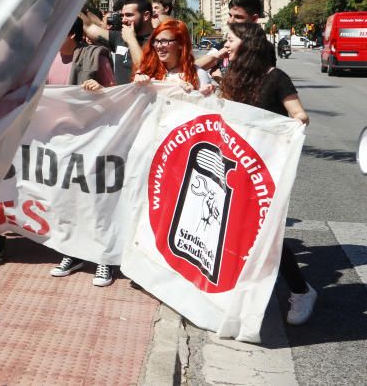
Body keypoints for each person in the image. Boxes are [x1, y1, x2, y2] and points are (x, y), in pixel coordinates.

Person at [219, 22, 316, 325]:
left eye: (230, 39)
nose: (226, 44)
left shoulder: (276, 78)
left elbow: (299, 116)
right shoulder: (230, 78)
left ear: (247, 44)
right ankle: (237, 294)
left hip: (264, 171)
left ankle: (301, 291)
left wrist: (289, 127)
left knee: (268, 235)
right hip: (233, 169)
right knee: (234, 230)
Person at [34, 19, 115, 283]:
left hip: (91, 138)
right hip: (58, 140)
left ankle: (104, 258)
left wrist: (99, 91)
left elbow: (118, 97)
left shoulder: (95, 56)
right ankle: (73, 251)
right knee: (66, 198)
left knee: (95, 198)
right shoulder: (46, 59)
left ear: (71, 32)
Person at [80, 0, 153, 85]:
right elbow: (89, 27)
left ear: (146, 16)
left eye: (129, 15)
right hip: (121, 97)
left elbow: (144, 68)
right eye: (122, 15)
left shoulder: (159, 40)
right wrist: (75, 6)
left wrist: (131, 39)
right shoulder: (119, 36)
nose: (124, 20)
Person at [133, 20, 213, 93]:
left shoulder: (198, 74)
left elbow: (206, 105)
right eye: (156, 41)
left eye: (165, 41)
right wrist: (137, 83)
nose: (159, 46)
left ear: (181, 44)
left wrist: (197, 94)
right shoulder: (146, 71)